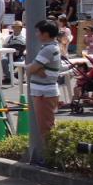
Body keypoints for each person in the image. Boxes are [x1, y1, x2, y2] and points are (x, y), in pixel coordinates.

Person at [28, 19, 62, 151]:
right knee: (46, 125)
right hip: (43, 92)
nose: (36, 34)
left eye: (38, 32)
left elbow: (31, 69)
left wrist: (34, 68)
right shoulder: (51, 47)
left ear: (46, 34)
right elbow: (35, 68)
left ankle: (51, 156)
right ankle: (49, 154)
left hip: (44, 93)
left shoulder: (48, 49)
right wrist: (37, 68)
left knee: (46, 127)